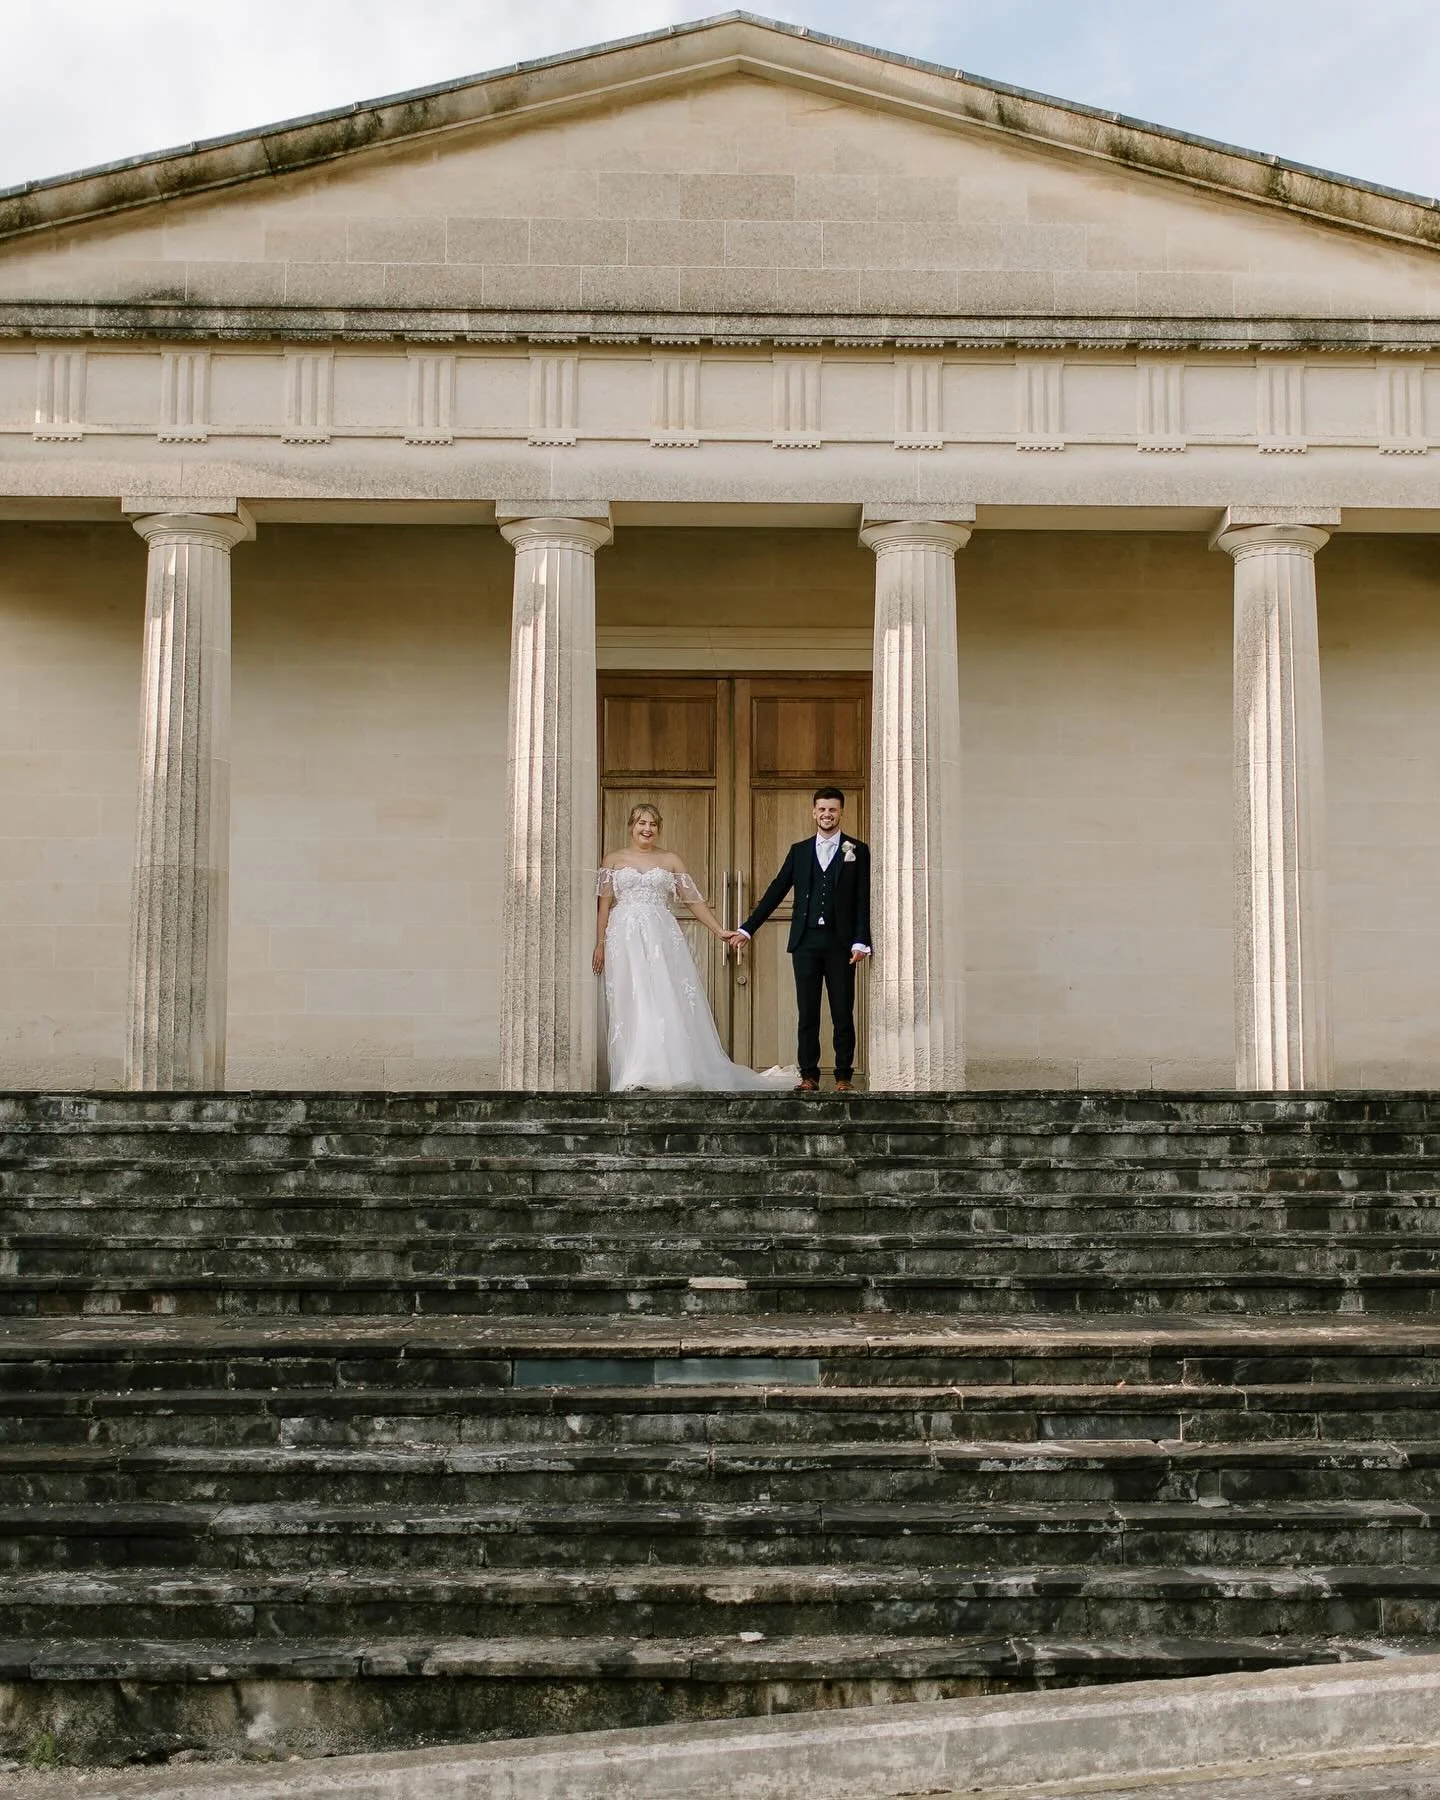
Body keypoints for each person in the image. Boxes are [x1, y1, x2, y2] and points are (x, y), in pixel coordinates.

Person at [595, 802, 794, 1093]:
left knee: (662, 997)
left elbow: (694, 901)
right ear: (631, 826)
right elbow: (603, 907)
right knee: (631, 1000)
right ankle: (634, 1071)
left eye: (652, 824)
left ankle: (663, 1070)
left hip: (660, 936)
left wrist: (718, 930)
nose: (647, 829)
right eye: (642, 823)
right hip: (622, 937)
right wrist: (599, 944)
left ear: (658, 828)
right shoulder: (613, 859)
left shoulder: (670, 860)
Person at [728, 787, 871, 1093]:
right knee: (807, 1012)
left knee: (842, 1011)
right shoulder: (800, 851)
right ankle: (809, 1076)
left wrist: (861, 941)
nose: (827, 814)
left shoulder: (857, 850)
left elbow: (863, 898)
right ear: (813, 812)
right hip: (805, 942)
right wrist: (747, 929)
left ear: (841, 812)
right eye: (822, 809)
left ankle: (843, 1076)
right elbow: (776, 890)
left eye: (832, 809)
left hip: (841, 944)